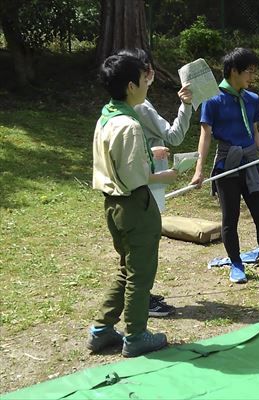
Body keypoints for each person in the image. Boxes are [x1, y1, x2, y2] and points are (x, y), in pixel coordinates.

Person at [88, 54, 178, 357]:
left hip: (112, 206)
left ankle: (101, 330)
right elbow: (136, 176)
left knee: (127, 270)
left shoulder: (107, 116)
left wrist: (148, 152)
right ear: (130, 85)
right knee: (140, 276)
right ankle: (136, 335)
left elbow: (117, 159)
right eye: (144, 78)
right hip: (135, 206)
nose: (147, 82)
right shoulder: (130, 125)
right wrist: (162, 172)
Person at [190, 47, 259, 284]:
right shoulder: (212, 100)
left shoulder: (252, 99)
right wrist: (199, 169)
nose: (251, 77)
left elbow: (253, 131)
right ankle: (236, 264)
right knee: (229, 218)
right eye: (248, 72)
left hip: (251, 162)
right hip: (228, 165)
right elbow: (205, 136)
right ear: (234, 71)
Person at [117, 48, 193, 318]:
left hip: (142, 180)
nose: (150, 74)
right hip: (144, 183)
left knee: (140, 243)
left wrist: (150, 152)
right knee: (144, 243)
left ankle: (141, 295)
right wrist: (187, 104)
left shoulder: (123, 107)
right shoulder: (139, 105)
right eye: (144, 69)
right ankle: (142, 301)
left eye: (148, 67)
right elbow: (173, 136)